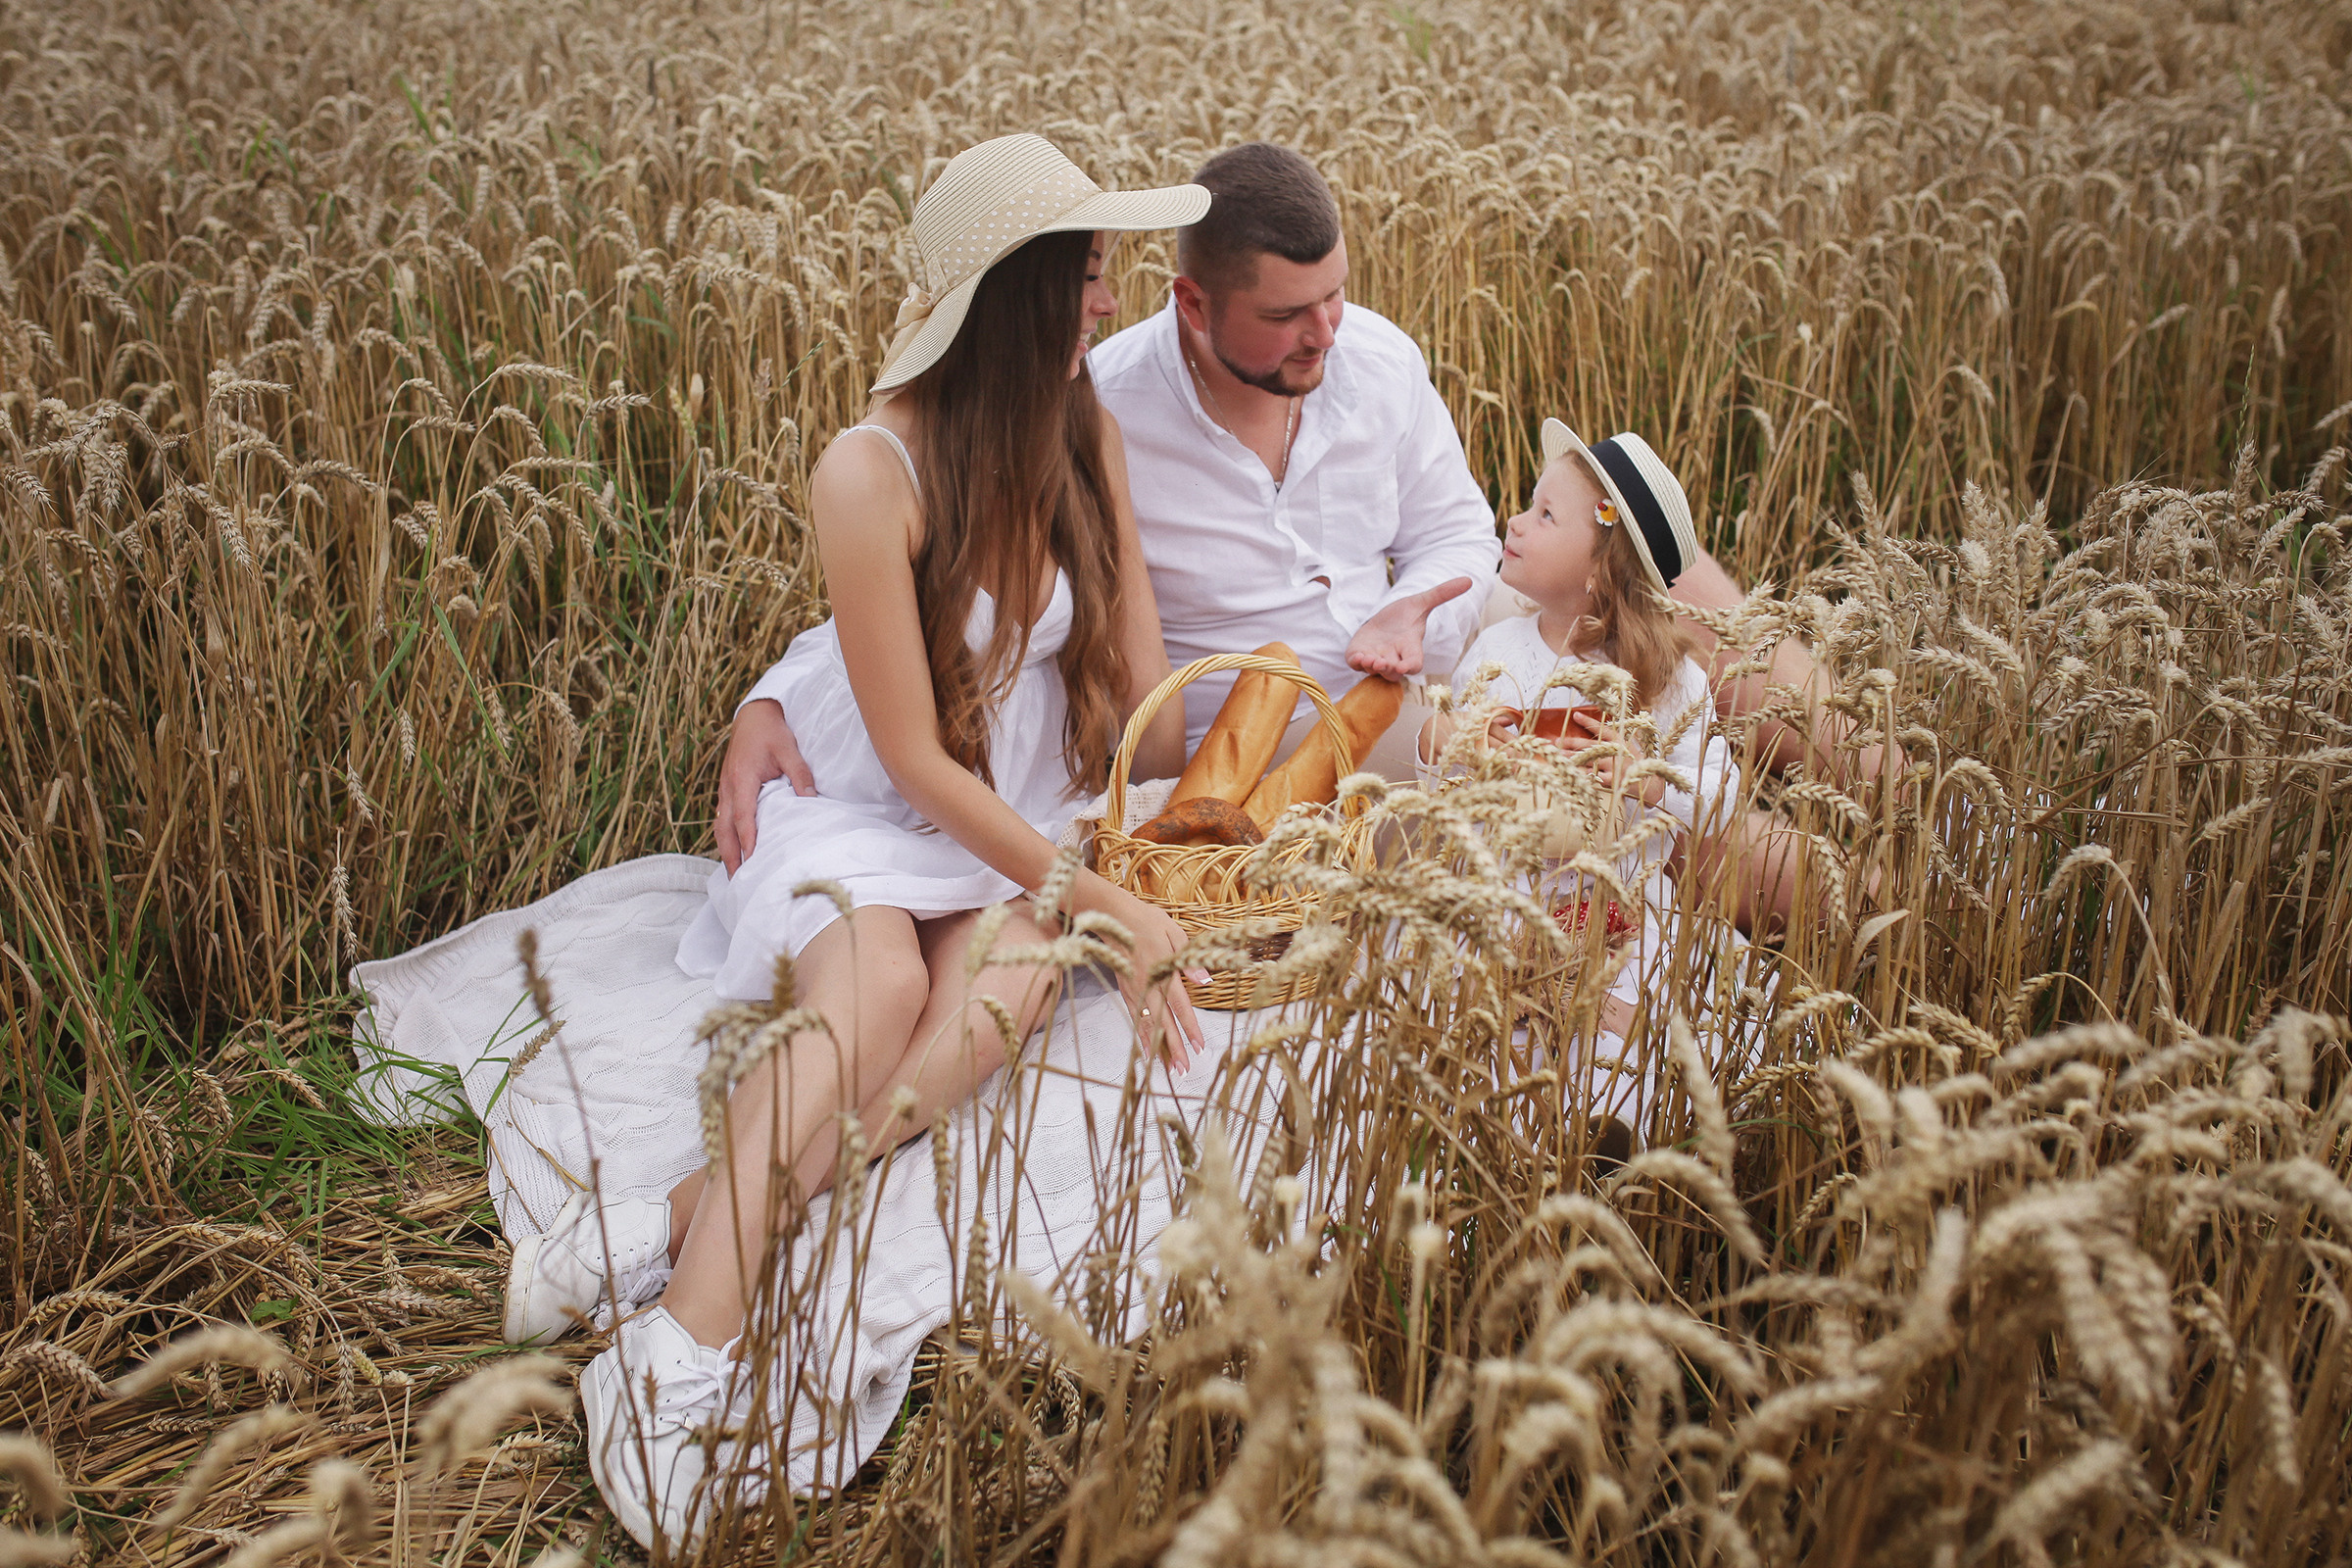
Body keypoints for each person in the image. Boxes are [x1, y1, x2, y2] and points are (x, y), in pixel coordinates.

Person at [514, 135, 1213, 1548]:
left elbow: (1142, 694)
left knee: (1005, 993)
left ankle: (688, 1213)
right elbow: (907, 761)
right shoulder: (870, 467)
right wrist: (1104, 903)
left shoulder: (1086, 432)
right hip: (878, 799)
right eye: (1086, 278)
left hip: (1017, 805)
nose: (1106, 304)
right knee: (882, 992)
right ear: (1017, 298)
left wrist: (1153, 839)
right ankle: (680, 1355)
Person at [714, 142, 1504, 869]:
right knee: (1486, 836)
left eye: (1334, 296)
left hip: (1387, 708)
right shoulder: (1099, 406)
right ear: (1192, 304)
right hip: (1224, 763)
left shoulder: (1381, 357)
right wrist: (772, 699)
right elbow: (937, 575)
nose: (1326, 333)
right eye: (1284, 316)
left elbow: (1458, 532)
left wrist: (1410, 612)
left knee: (1539, 771)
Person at [1428, 417, 1740, 1147]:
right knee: (1490, 1043)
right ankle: (1518, 1148)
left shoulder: (1669, 683)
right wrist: (1455, 744)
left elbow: (1719, 791)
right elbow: (1450, 789)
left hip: (1622, 918)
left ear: (1600, 571)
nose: (1516, 519)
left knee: (1621, 1046)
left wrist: (1653, 782)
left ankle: (1608, 1144)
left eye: (1543, 514)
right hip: (1512, 906)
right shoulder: (1497, 653)